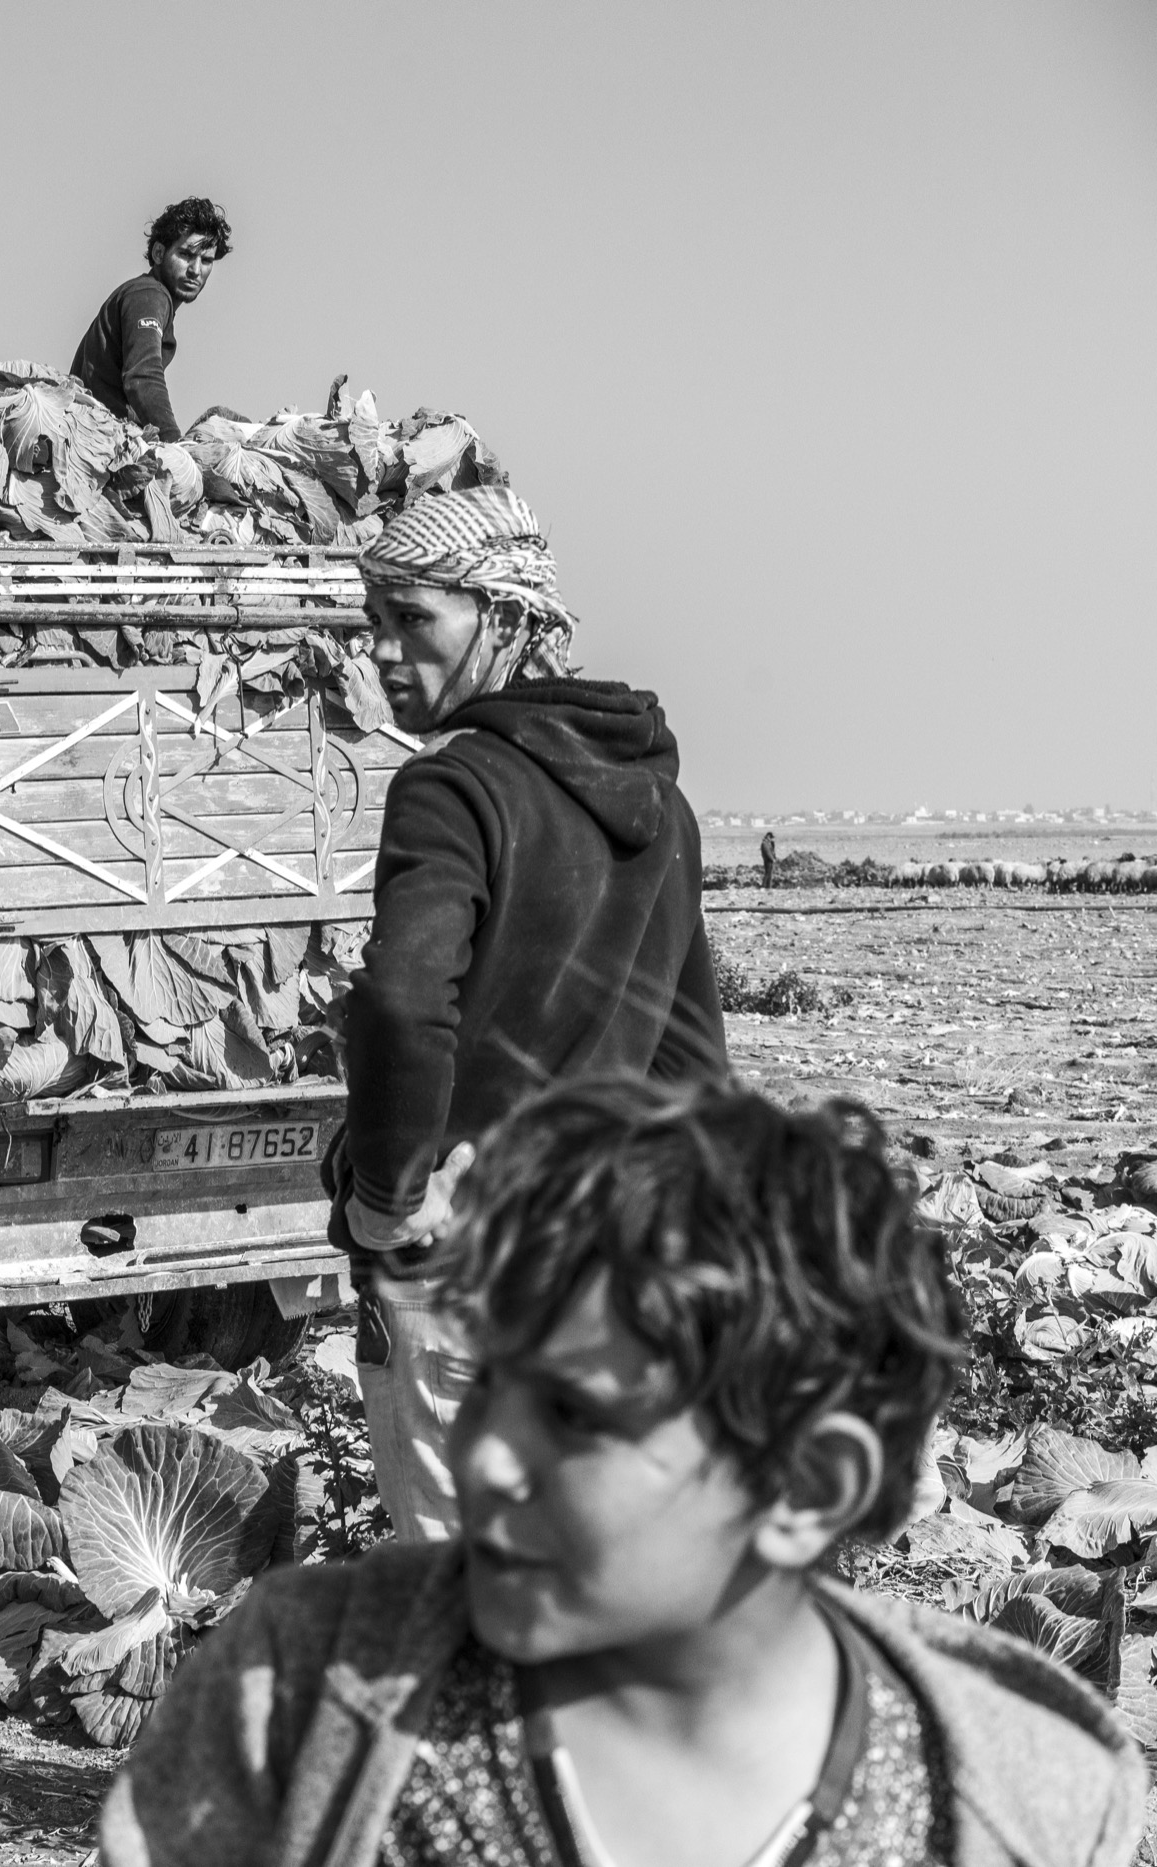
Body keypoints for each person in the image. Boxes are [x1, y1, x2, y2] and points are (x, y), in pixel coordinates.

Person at [104, 1075, 1145, 1867]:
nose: (484, 1453)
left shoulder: (1022, 1803)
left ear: (808, 1486)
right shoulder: (296, 1695)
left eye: (573, 1412)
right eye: (489, 1380)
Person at [334, 485, 727, 1540]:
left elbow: (402, 995)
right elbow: (691, 1060)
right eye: (373, 621)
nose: (381, 650)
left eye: (412, 617)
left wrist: (387, 1197)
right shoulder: (663, 808)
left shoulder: (454, 789)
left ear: (506, 618)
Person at [70, 196, 231, 442]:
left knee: (225, 419)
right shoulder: (149, 295)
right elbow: (142, 375)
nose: (196, 270)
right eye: (186, 255)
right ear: (158, 253)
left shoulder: (149, 295)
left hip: (105, 436)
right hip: (104, 442)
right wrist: (175, 445)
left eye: (206, 260)